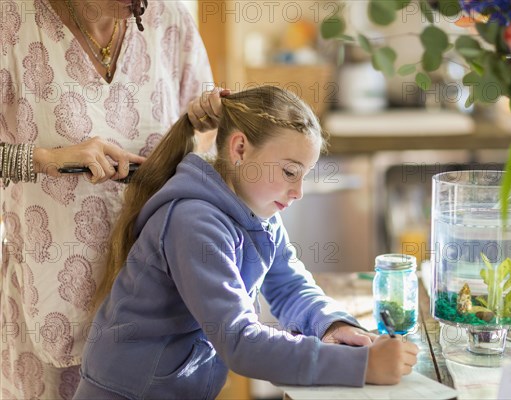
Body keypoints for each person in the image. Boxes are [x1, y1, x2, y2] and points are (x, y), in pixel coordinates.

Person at [73, 86, 419, 399]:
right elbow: (240, 341)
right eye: (289, 172)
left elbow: (290, 287)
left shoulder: (259, 211)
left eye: (304, 175)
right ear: (239, 148)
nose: (298, 192)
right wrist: (361, 367)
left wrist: (334, 325)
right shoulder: (193, 222)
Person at [0, 0, 216, 397]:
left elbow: (200, 139)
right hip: (51, 303)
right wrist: (47, 159)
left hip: (155, 304)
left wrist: (199, 123)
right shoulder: (12, 20)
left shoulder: (170, 19)